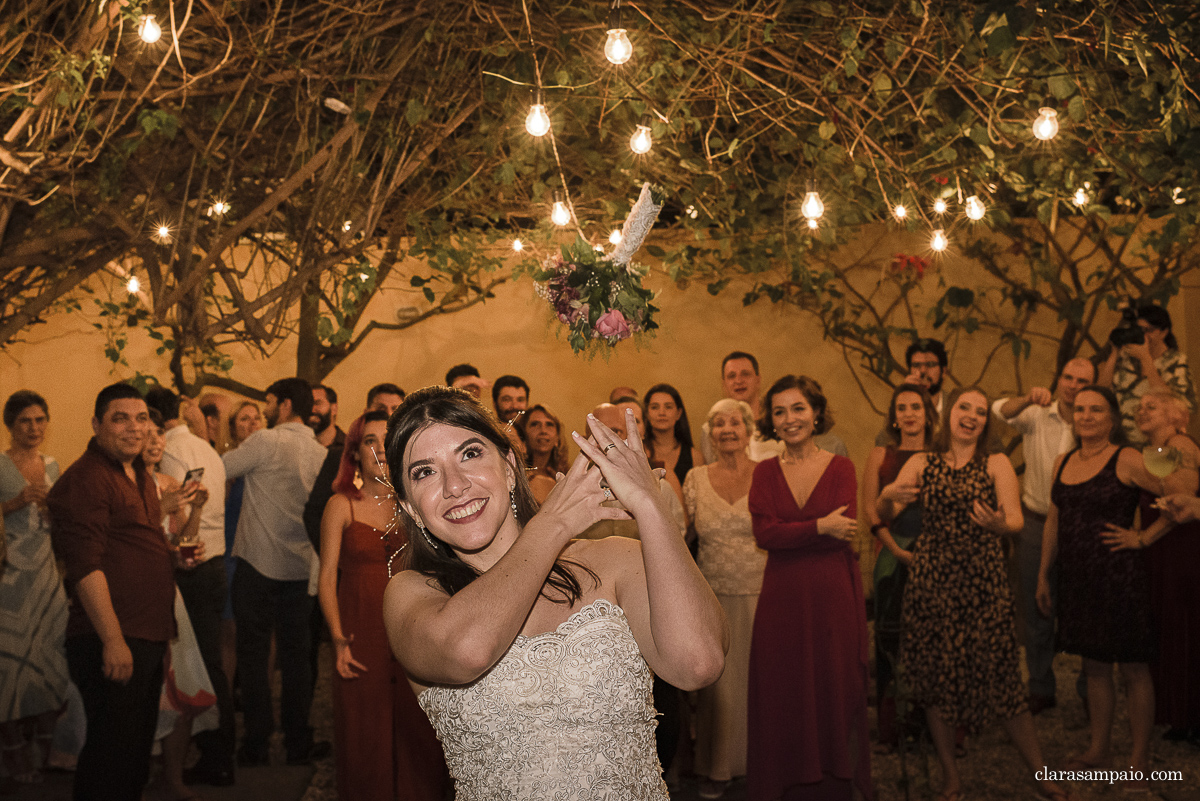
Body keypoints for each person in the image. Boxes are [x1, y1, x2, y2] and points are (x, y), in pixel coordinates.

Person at [381, 386, 726, 799]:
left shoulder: (615, 561)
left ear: (510, 467)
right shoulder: (411, 595)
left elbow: (698, 664)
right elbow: (468, 650)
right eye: (425, 472)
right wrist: (554, 524)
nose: (454, 485)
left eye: (470, 454)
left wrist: (650, 506)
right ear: (412, 508)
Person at [879, 387, 1068, 801]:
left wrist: (1001, 526)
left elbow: (1016, 519)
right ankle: (951, 778)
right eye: (965, 407)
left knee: (1003, 679)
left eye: (981, 412)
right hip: (933, 582)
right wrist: (885, 497)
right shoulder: (920, 461)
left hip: (983, 582)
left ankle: (1041, 775)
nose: (972, 416)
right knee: (935, 682)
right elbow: (884, 513)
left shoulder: (995, 462)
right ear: (948, 415)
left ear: (986, 423)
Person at [47, 383, 188, 801]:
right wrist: (112, 639)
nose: (134, 427)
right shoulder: (87, 479)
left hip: (145, 632)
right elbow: (85, 567)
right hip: (111, 636)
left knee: (133, 753)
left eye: (141, 418)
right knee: (110, 755)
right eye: (120, 418)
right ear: (97, 424)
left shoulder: (139, 473)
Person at [1035, 385, 1179, 792]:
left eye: (1096, 409)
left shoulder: (1128, 458)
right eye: (1080, 409)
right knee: (1093, 665)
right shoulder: (1062, 461)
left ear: (1113, 418)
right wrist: (1045, 573)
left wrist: (1145, 537)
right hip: (1077, 580)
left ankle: (1139, 761)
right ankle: (1099, 750)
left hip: (1120, 579)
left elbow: (1178, 494)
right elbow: (1054, 519)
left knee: (1133, 667)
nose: (1086, 416)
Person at [746, 375, 871, 801]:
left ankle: (833, 786)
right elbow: (765, 535)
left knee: (834, 685)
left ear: (816, 413)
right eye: (779, 411)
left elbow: (847, 527)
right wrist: (819, 526)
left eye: (798, 408)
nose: (789, 419)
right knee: (783, 688)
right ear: (771, 422)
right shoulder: (764, 472)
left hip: (833, 596)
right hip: (781, 599)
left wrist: (794, 531)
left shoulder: (842, 468)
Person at [318, 411, 448, 801]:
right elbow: (326, 577)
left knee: (419, 729)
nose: (377, 449)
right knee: (364, 731)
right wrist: (338, 641)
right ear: (354, 453)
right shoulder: (341, 505)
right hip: (362, 631)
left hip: (414, 629)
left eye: (384, 440)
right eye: (368, 441)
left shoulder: (418, 504)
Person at [222, 377, 329, 767]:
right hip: (300, 568)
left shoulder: (266, 441)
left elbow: (219, 467)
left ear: (283, 406)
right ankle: (297, 741)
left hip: (257, 564)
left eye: (268, 403)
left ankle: (256, 742)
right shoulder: (319, 453)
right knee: (297, 659)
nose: (265, 412)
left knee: (253, 657)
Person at [990, 356, 1096, 715]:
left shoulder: (1094, 423)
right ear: (1059, 378)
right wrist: (1026, 398)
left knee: (1082, 607)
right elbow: (998, 410)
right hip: (1036, 520)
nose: (1072, 385)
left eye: (1082, 381)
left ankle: (1089, 689)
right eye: (1067, 377)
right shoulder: (1037, 414)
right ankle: (1040, 686)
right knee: (1037, 608)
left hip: (1082, 526)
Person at [145, 386, 236, 787]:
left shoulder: (170, 457)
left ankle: (211, 753)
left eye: (150, 432)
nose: (150, 442)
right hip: (209, 559)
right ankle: (215, 752)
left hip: (189, 567)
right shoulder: (205, 448)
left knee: (192, 667)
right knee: (203, 663)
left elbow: (176, 522)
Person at [683, 398, 763, 800]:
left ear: (749, 430)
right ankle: (717, 766)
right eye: (719, 424)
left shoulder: (769, 474)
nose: (728, 430)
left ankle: (767, 763)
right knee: (720, 685)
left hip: (764, 592)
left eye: (736, 422)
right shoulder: (695, 478)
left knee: (763, 682)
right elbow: (684, 538)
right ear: (710, 434)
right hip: (713, 594)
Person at [142, 409, 215, 801]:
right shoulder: (130, 485)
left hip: (171, 593)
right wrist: (161, 507)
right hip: (138, 595)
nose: (154, 441)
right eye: (147, 434)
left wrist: (197, 511)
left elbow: (178, 544)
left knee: (184, 687)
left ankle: (172, 777)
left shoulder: (170, 482)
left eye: (159, 435)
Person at [0, 391, 69, 786]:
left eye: (41, 420)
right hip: (9, 574)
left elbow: (61, 524)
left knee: (50, 657)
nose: (34, 428)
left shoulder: (53, 465)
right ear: (11, 425)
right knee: (9, 664)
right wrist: (14, 503)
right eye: (26, 421)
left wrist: (52, 510)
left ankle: (48, 745)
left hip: (45, 573)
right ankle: (12, 753)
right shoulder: (0, 463)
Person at [862, 382, 936, 748]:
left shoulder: (944, 453)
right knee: (892, 638)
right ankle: (892, 729)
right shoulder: (881, 454)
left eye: (916, 407)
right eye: (902, 408)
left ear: (928, 413)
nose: (908, 414)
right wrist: (895, 548)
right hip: (892, 552)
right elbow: (869, 509)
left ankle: (934, 726)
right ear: (893, 416)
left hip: (938, 556)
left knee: (935, 640)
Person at [1131, 392, 1200, 743]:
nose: (1141, 410)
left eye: (1151, 406)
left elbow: (1180, 504)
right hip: (1163, 552)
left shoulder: (1181, 444)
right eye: (1139, 406)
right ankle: (1181, 715)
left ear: (1176, 416)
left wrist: (1143, 538)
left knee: (1185, 627)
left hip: (1182, 551)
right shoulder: (1157, 450)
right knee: (1169, 627)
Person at [702, 351, 848, 463]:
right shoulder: (710, 430)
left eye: (745, 374)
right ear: (723, 383)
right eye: (731, 376)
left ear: (758, 380)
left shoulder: (781, 424)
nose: (738, 381)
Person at [1098, 302, 1195, 445]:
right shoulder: (1126, 359)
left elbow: (1180, 406)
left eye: (1148, 330)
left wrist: (1146, 359)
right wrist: (1114, 354)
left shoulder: (1176, 361)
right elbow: (1101, 393)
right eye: (1139, 329)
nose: (1143, 335)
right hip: (1123, 443)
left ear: (1164, 332)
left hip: (1161, 442)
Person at [874, 339, 949, 446]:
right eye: (916, 365)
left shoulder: (955, 405)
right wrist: (904, 395)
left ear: (943, 371)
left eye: (930, 364)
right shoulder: (901, 404)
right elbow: (882, 443)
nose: (923, 371)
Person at [644, 383, 705, 511]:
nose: (662, 412)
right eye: (655, 407)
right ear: (647, 414)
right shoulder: (640, 452)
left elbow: (701, 506)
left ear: (678, 413)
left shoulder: (695, 457)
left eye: (668, 407)